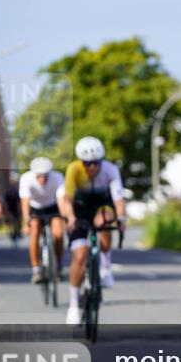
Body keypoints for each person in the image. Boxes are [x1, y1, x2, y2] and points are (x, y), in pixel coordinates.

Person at [60, 136, 126, 325]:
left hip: (101, 204)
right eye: (87, 163)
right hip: (79, 207)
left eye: (96, 163)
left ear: (101, 160)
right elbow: (67, 199)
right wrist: (71, 218)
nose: (92, 168)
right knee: (79, 255)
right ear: (82, 162)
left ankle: (106, 267)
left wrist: (121, 218)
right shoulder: (73, 169)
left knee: (105, 220)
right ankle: (73, 305)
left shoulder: (110, 170)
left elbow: (118, 197)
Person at [20, 157, 66, 284]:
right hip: (35, 209)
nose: (43, 179)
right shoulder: (26, 179)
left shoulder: (57, 177)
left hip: (52, 207)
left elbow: (61, 199)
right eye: (39, 176)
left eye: (46, 176)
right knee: (34, 231)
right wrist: (26, 222)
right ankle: (36, 270)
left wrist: (64, 216)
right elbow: (25, 203)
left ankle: (58, 265)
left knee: (59, 234)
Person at [4, 172, 22, 244]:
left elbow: (19, 200)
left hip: (14, 208)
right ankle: (14, 233)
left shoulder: (16, 189)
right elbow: (6, 200)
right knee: (13, 221)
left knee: (16, 221)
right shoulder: (10, 190)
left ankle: (16, 232)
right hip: (11, 208)